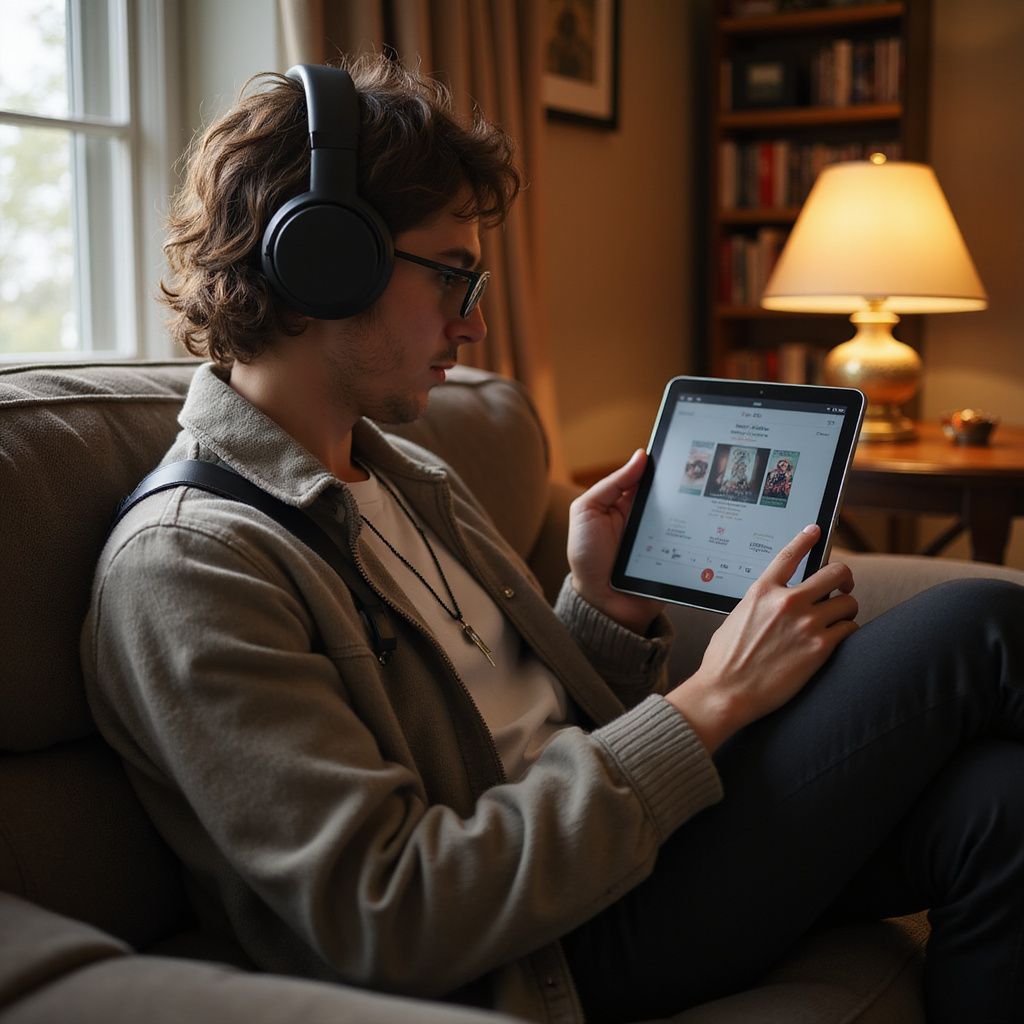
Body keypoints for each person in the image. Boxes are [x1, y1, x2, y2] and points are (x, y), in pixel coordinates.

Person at [81, 54, 1024, 1024]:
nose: (477, 321)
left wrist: (600, 610)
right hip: (549, 948)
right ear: (324, 261)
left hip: (617, 855)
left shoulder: (409, 474)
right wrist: (712, 701)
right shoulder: (192, 564)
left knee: (998, 800)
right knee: (978, 622)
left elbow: (531, 739)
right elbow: (393, 911)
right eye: (452, 275)